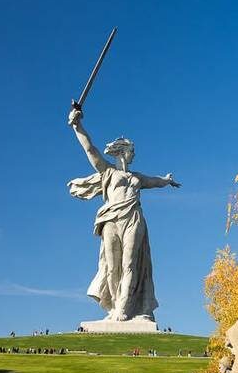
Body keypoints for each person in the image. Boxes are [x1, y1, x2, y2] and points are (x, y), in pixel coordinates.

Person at [67, 108, 180, 323]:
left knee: (130, 263)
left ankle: (124, 308)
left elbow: (154, 181)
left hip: (133, 218)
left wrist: (166, 180)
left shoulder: (136, 177)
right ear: (122, 152)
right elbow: (90, 150)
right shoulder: (108, 172)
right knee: (112, 265)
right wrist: (77, 126)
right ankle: (114, 306)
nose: (134, 155)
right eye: (132, 151)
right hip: (111, 218)